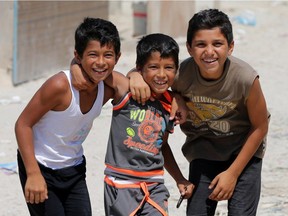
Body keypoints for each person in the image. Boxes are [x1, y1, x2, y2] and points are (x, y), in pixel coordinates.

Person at [129, 9, 270, 216]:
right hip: (204, 150)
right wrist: (137, 78)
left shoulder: (245, 78)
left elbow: (260, 126)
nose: (209, 51)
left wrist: (232, 173)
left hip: (243, 153)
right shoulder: (180, 73)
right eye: (201, 44)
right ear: (189, 48)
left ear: (230, 47)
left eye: (217, 44)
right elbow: (146, 72)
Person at [71, 33, 193, 215]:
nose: (161, 74)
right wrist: (74, 65)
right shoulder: (127, 90)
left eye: (168, 67)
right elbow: (97, 70)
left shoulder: (170, 105)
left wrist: (179, 178)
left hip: (154, 184)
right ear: (140, 68)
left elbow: (162, 145)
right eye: (153, 67)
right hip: (121, 185)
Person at [14, 17, 121, 216]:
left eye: (108, 55)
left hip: (74, 169)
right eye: (92, 54)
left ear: (118, 57)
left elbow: (129, 82)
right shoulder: (60, 86)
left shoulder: (106, 88)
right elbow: (22, 124)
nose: (100, 62)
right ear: (78, 56)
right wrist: (33, 174)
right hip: (41, 168)